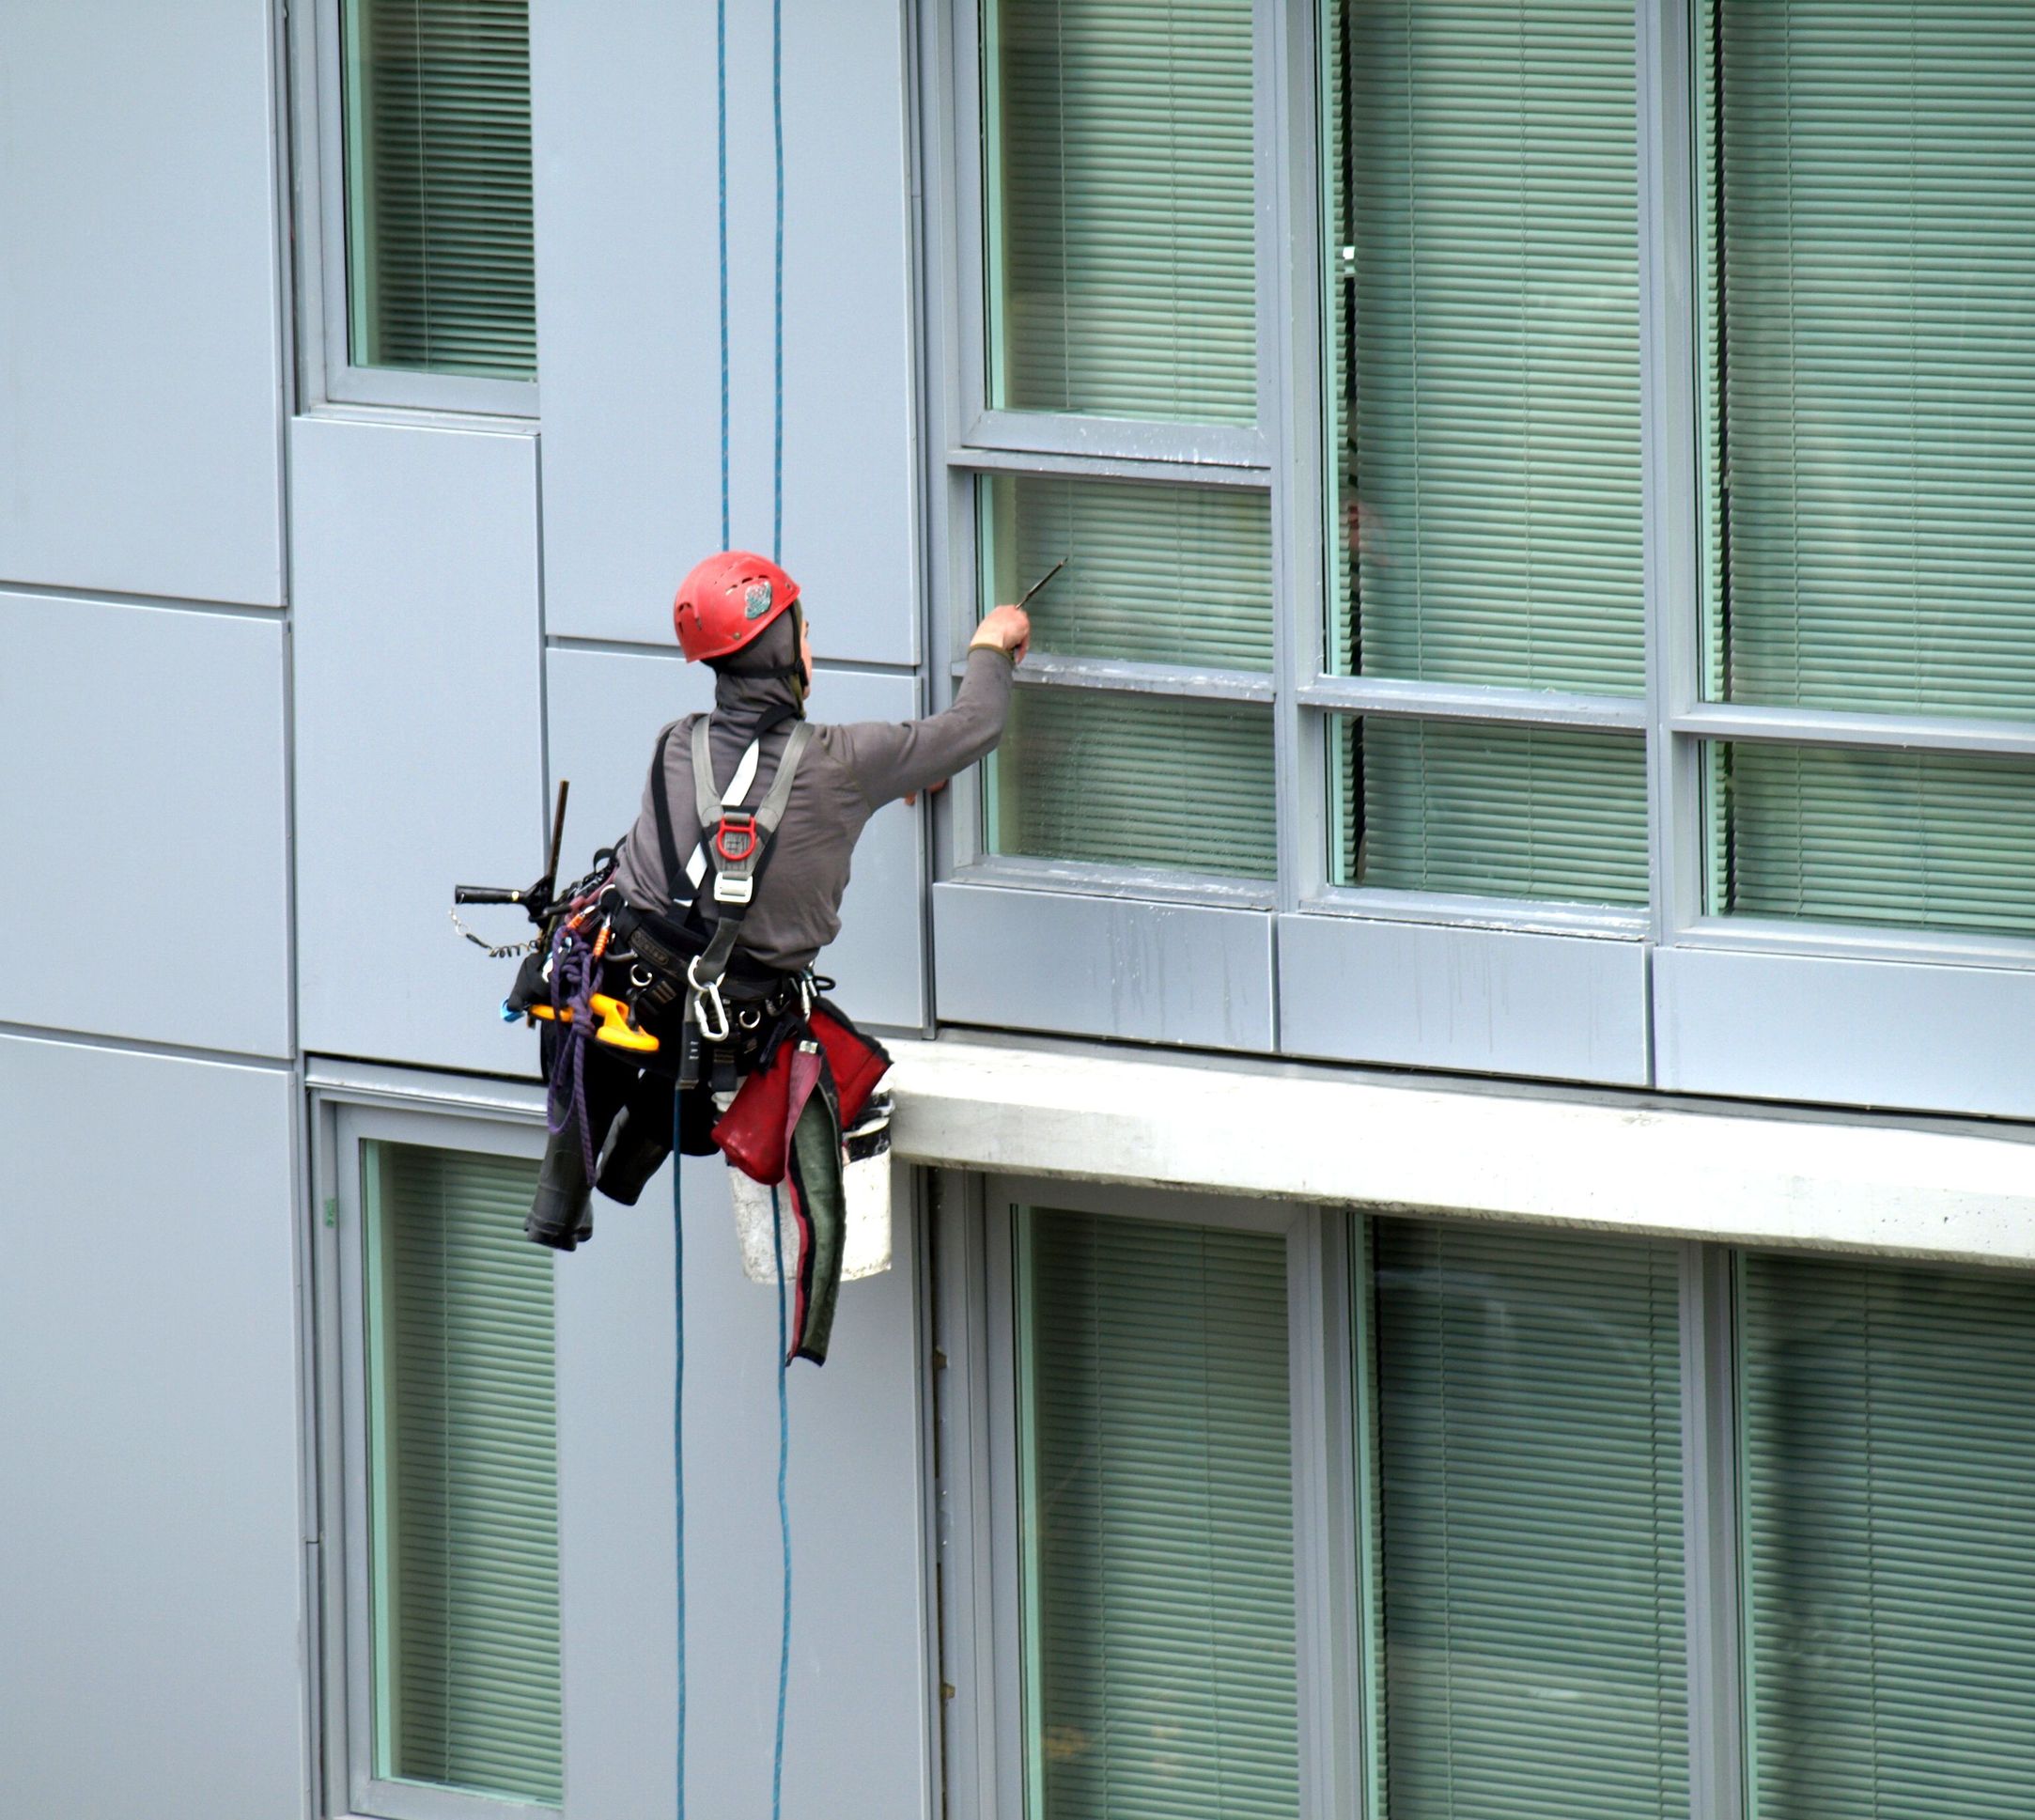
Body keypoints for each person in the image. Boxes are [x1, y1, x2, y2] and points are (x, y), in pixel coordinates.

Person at [521, 550, 1032, 1286]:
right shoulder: (849, 764)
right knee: (797, 1072)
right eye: (806, 633)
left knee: (633, 1044)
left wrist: (897, 778)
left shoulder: (674, 744)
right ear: (785, 650)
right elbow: (974, 723)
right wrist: (992, 641)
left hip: (615, 999)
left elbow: (737, 816)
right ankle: (647, 1169)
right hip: (729, 1036)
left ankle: (564, 1193)